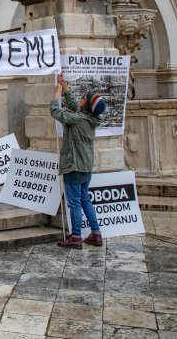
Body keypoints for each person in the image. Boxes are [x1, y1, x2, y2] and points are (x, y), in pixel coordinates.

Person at [50, 73, 107, 249]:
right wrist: (65, 85)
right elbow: (75, 105)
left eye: (84, 98)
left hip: (74, 164)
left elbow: (57, 112)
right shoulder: (90, 118)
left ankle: (76, 236)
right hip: (85, 164)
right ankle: (95, 233)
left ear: (88, 105)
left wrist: (56, 94)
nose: (81, 98)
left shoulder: (78, 120)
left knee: (74, 201)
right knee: (84, 199)